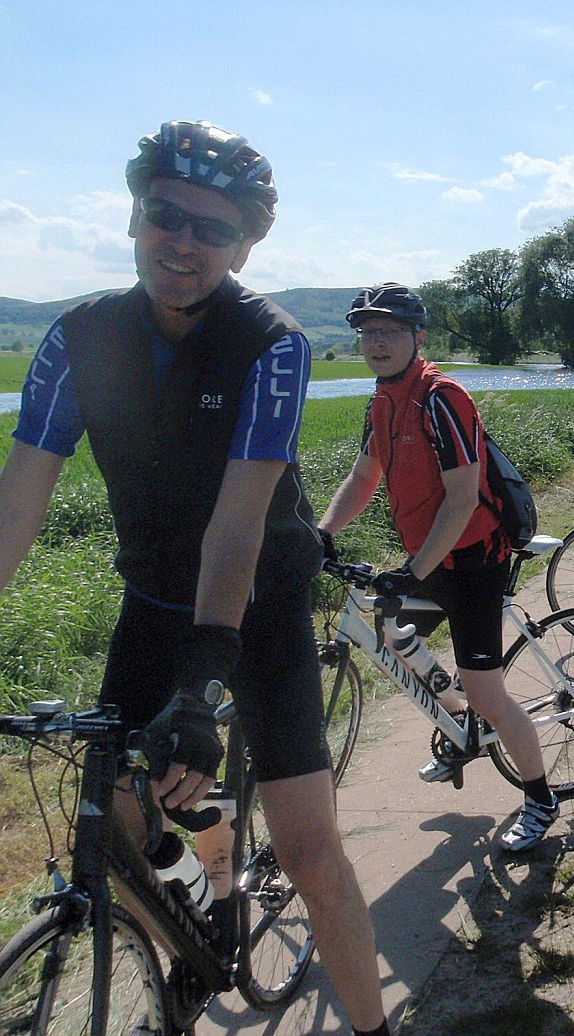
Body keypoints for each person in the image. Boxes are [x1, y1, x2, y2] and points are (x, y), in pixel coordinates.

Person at [0, 121, 393, 1036]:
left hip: (256, 612)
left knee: (307, 850)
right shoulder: (77, 337)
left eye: (210, 230)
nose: (181, 241)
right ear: (136, 215)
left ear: (246, 245)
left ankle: (377, 1028)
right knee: (122, 836)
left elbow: (238, 521)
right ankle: (182, 923)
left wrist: (207, 675)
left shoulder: (273, 345)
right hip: (151, 604)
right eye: (163, 215)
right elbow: (17, 509)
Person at [316, 283, 559, 851]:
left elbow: (462, 495)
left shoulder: (440, 397)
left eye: (389, 331)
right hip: (431, 557)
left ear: (416, 337)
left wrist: (414, 569)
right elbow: (363, 477)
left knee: (488, 694)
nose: (376, 343)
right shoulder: (381, 401)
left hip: (474, 559)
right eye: (367, 332)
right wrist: (322, 533)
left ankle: (540, 798)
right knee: (391, 633)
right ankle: (460, 729)